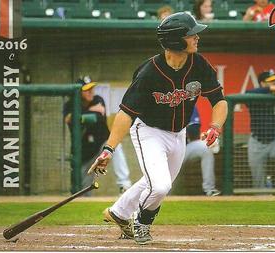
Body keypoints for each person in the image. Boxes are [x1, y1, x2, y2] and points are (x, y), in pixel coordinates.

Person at [88, 12, 228, 244]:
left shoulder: (199, 64)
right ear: (176, 40)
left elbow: (219, 101)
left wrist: (215, 126)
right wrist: (109, 149)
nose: (197, 38)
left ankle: (118, 213)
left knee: (154, 183)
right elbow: (125, 114)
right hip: (149, 132)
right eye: (191, 34)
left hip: (178, 133)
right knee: (160, 186)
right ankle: (141, 223)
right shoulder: (148, 72)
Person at [63, 76, 131, 195]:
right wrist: (89, 111)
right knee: (82, 192)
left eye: (92, 88)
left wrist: (79, 116)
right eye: (87, 89)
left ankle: (124, 185)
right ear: (79, 92)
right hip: (84, 152)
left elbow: (99, 116)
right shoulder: (70, 104)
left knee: (116, 147)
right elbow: (69, 119)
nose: (91, 92)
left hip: (102, 145)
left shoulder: (98, 99)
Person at [184, 107, 221, 196]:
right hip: (164, 151)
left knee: (205, 148)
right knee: (164, 191)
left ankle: (209, 189)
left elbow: (193, 131)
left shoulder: (188, 103)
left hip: (184, 148)